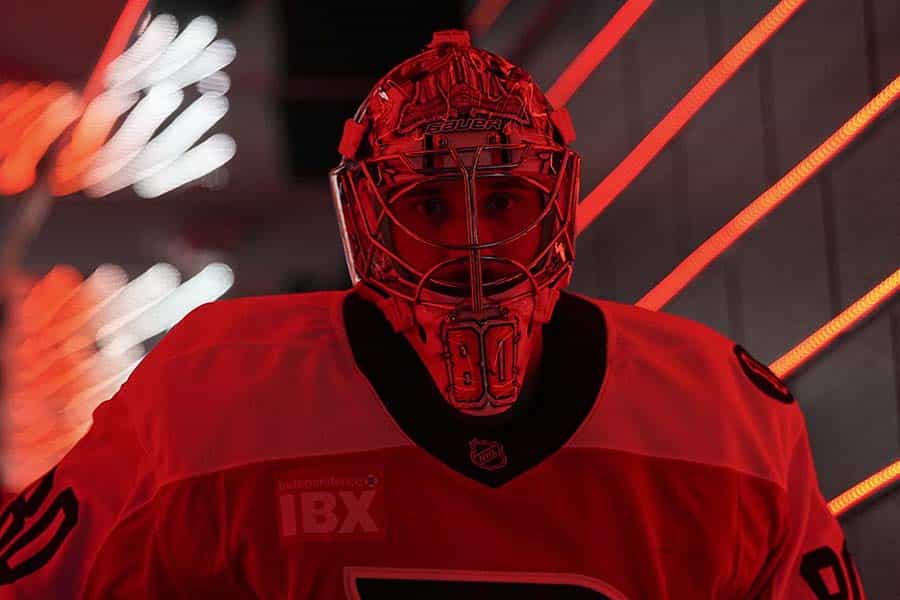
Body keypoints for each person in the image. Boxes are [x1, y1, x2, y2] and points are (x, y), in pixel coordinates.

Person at [0, 30, 864, 599]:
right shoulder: (208, 389)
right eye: (431, 207)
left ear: (555, 204)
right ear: (369, 220)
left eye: (502, 199)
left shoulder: (726, 414)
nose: (474, 246)